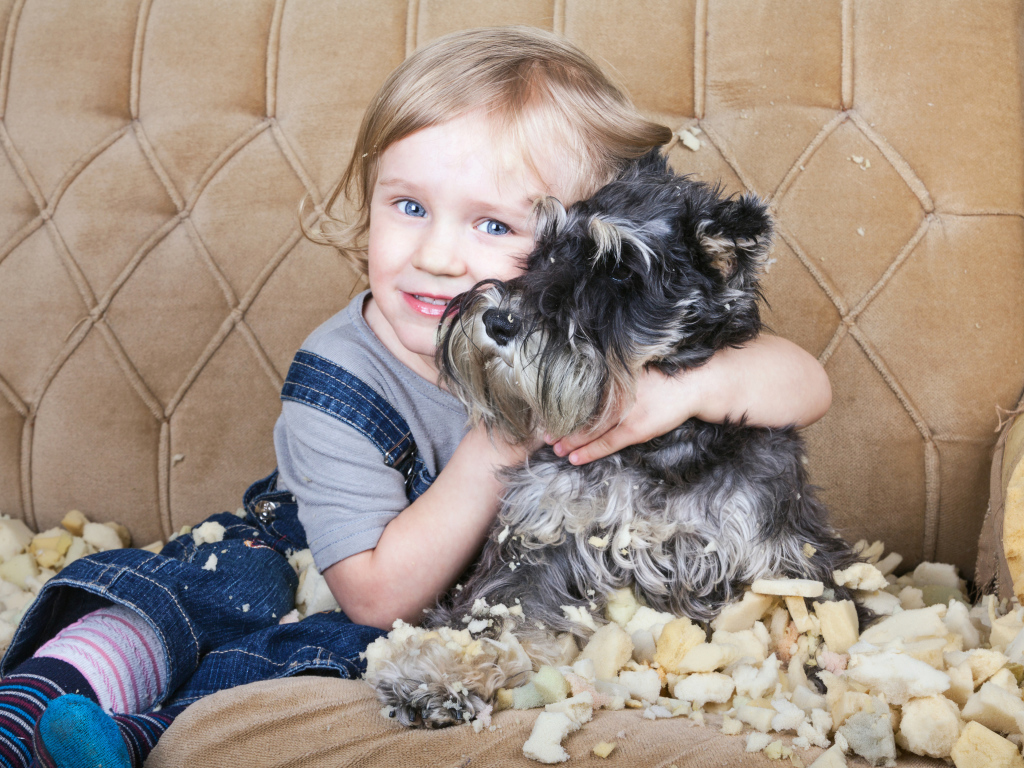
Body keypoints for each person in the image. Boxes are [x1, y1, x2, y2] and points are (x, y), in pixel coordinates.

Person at [0, 26, 831, 768]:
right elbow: (374, 595)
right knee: (185, 606)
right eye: (407, 206)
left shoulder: (614, 340)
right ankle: (27, 713)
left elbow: (807, 385)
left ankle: (130, 742)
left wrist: (694, 389)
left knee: (309, 670)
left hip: (483, 599)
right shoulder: (338, 375)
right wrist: (497, 443)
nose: (435, 255)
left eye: (495, 226)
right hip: (332, 563)